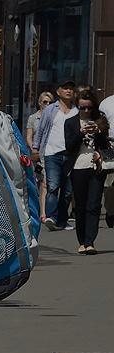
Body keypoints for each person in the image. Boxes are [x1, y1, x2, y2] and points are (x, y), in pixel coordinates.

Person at [64, 91, 109, 255]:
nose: (86, 111)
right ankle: (82, 241)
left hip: (97, 167)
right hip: (78, 167)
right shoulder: (70, 122)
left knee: (94, 205)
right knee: (81, 206)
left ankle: (90, 242)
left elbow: (105, 146)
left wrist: (98, 132)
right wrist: (81, 133)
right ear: (77, 106)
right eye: (82, 107)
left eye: (89, 107)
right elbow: (69, 147)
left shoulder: (101, 120)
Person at [34, 80, 79, 231]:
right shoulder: (50, 110)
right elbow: (41, 130)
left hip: (71, 154)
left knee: (67, 191)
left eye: (71, 88)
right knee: (52, 186)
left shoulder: (76, 110)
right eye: (65, 88)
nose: (68, 91)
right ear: (58, 92)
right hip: (52, 153)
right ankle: (51, 217)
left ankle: (62, 220)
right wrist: (35, 148)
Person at [27, 91, 55, 222]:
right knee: (35, 183)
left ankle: (43, 213)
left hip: (49, 153)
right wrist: (34, 149)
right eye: (45, 102)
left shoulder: (55, 117)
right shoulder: (33, 118)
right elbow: (29, 136)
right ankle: (33, 209)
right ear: (39, 103)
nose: (47, 104)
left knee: (45, 184)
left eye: (50, 102)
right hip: (36, 154)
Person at [99, 92, 114, 228]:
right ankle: (111, 211)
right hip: (110, 145)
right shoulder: (106, 103)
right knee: (110, 184)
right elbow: (100, 124)